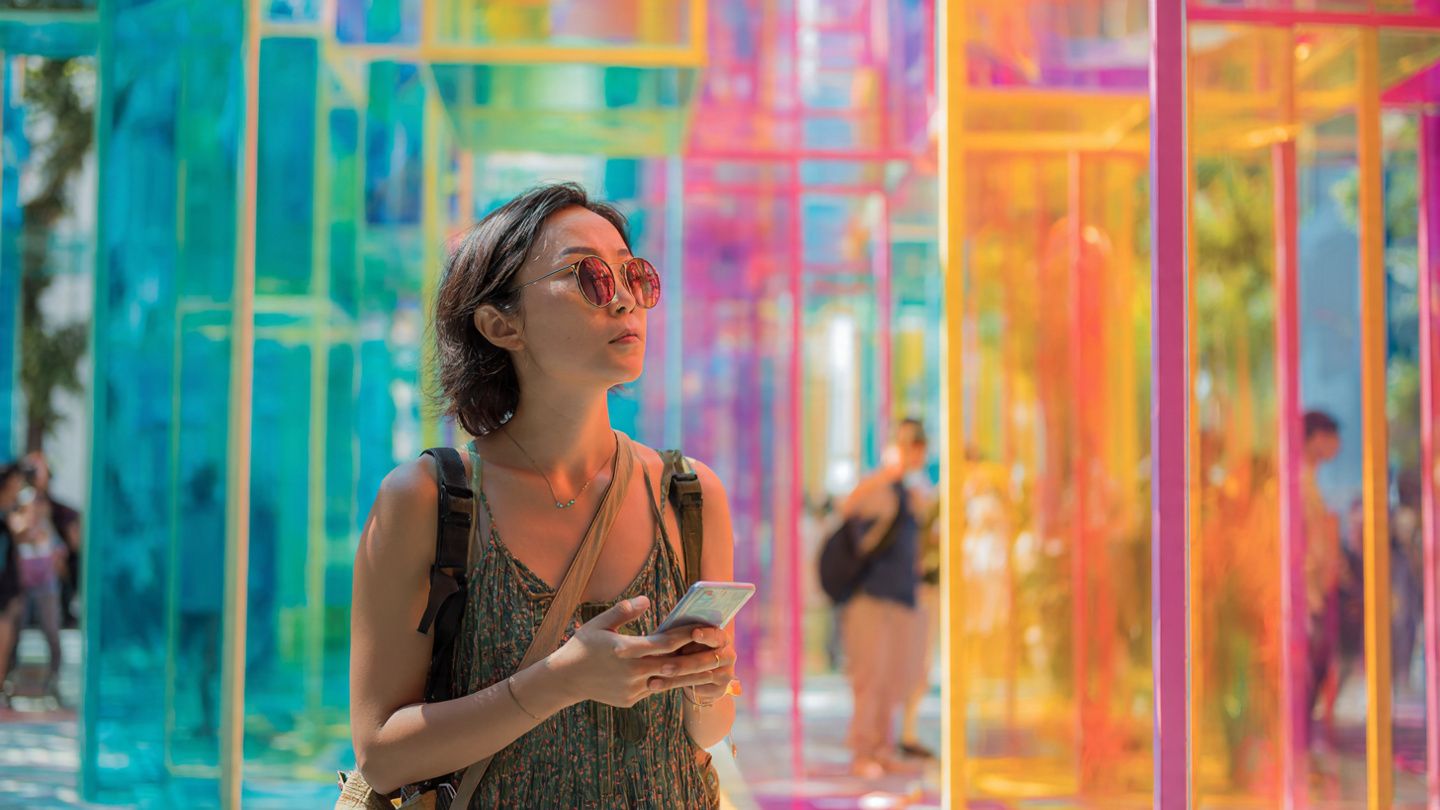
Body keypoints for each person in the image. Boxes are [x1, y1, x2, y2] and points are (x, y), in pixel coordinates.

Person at [349, 183, 738, 807]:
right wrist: (561, 680)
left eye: (632, 275)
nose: (625, 302)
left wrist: (709, 689)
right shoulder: (431, 501)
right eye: (589, 276)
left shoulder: (688, 496)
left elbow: (706, 732)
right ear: (500, 324)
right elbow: (380, 752)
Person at [837, 418, 931, 778]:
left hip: (902, 599)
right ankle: (863, 750)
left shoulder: (913, 494)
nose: (913, 453)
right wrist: (889, 472)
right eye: (907, 444)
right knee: (869, 677)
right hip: (870, 599)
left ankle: (882, 747)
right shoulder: (880, 487)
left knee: (894, 679)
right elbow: (848, 506)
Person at [1301, 410, 1343, 743]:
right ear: (1315, 438)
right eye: (1331, 437)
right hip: (1308, 589)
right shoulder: (1300, 480)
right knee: (1311, 662)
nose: (1337, 446)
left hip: (1315, 586)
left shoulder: (1309, 479)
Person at [0, 463, 28, 709]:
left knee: (7, 633)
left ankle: (1, 685)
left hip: (7, 582)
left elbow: (24, 533)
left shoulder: (16, 509)